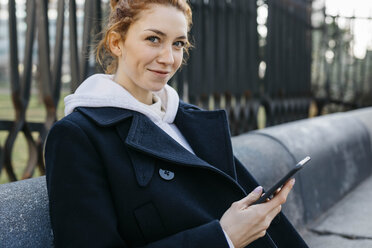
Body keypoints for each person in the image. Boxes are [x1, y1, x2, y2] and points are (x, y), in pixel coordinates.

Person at [44, 0, 308, 247]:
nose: (168, 59)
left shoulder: (190, 120)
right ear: (116, 42)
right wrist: (223, 238)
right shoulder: (77, 136)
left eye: (178, 44)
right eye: (153, 39)